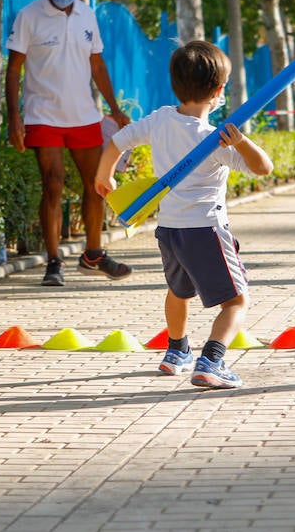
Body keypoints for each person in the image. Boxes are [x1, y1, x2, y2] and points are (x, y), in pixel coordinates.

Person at [94, 40, 273, 390]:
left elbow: (117, 142)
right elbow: (263, 167)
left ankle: (176, 350)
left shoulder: (160, 120)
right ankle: (212, 360)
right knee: (237, 301)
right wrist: (241, 143)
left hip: (170, 231)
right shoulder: (214, 139)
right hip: (206, 230)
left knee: (179, 291)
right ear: (219, 92)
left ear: (175, 85)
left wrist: (105, 175)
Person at [6, 0, 132, 287]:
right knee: (53, 184)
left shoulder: (87, 15)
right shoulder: (29, 16)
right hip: (42, 114)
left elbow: (98, 65)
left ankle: (93, 255)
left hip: (83, 115)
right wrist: (14, 117)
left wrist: (115, 109)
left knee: (98, 184)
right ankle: (53, 261)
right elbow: (14, 68)